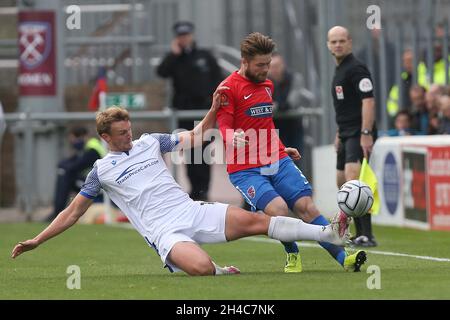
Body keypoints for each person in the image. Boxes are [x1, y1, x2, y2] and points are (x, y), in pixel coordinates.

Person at [11, 97, 351, 276]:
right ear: (105, 138)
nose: (129, 136)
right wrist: (37, 240)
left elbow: (197, 136)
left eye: (129, 129)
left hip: (190, 210)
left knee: (261, 222)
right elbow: (72, 213)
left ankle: (328, 234)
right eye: (122, 133)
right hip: (164, 232)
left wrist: (214, 110)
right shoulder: (100, 170)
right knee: (201, 269)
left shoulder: (149, 142)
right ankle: (217, 269)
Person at [216, 32, 366, 273]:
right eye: (260, 65)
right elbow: (223, 125)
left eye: (268, 63)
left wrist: (281, 147)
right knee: (279, 210)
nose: (266, 70)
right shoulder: (227, 88)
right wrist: (231, 136)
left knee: (307, 207)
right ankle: (292, 254)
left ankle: (344, 258)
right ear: (244, 61)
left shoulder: (267, 85)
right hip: (245, 169)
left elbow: (265, 125)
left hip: (275, 158)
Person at [156, 21, 223, 201]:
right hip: (183, 114)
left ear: (191, 35)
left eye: (186, 35)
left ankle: (203, 192)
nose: (184, 39)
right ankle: (194, 191)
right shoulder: (175, 58)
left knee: (204, 154)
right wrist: (173, 55)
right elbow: (161, 72)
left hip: (203, 114)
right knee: (188, 153)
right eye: (180, 36)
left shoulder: (205, 56)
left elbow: (218, 79)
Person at [327, 26, 378, 247]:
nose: (337, 45)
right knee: (342, 181)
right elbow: (346, 106)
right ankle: (354, 231)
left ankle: (366, 234)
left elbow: (368, 101)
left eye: (341, 41)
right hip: (346, 131)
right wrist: (339, 132)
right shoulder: (340, 70)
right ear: (328, 45)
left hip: (359, 132)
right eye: (333, 41)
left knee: (354, 179)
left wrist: (366, 133)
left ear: (350, 42)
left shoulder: (356, 68)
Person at [44, 126, 107, 222]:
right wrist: (62, 167)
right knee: (64, 173)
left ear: (83, 136)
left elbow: (76, 166)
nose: (73, 143)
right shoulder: (87, 148)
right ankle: (58, 211)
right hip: (91, 182)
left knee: (66, 176)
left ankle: (58, 212)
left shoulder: (93, 150)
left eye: (74, 140)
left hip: (100, 186)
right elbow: (69, 162)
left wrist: (64, 168)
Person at [268, 52, 314, 167]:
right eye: (271, 67)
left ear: (283, 65)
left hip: (293, 128)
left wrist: (277, 106)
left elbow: (292, 102)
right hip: (273, 129)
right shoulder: (265, 82)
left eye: (277, 66)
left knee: (295, 163)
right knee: (273, 166)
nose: (275, 70)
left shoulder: (295, 78)